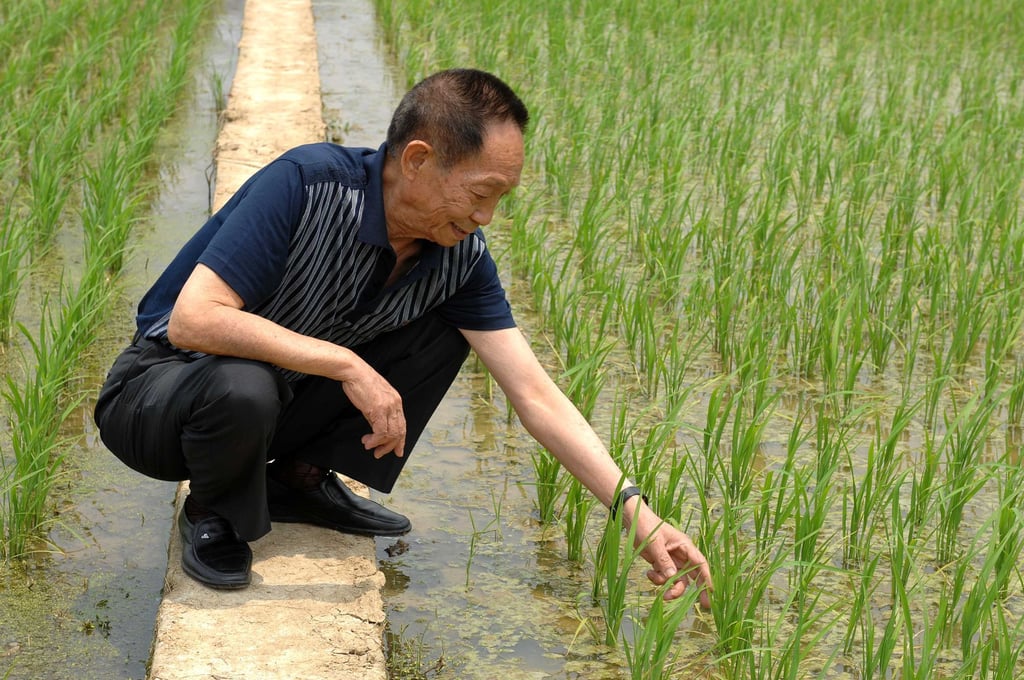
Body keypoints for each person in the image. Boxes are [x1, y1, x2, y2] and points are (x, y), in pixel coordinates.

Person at [94, 68, 711, 604]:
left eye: (500, 199)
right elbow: (193, 319)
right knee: (243, 383)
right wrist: (347, 365)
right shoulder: (308, 184)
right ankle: (214, 511)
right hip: (160, 397)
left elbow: (536, 395)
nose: (485, 217)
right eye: (479, 194)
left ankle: (298, 479)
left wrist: (640, 517)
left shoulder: (459, 257)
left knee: (446, 331)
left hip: (276, 400)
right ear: (417, 159)